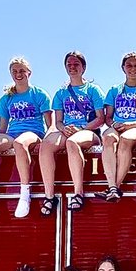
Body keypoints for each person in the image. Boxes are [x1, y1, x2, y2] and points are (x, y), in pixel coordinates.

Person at [0, 56, 53, 220]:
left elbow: (50, 124)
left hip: (34, 134)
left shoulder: (39, 94)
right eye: (15, 71)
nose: (18, 74)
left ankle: (25, 194)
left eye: (22, 71)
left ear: (29, 73)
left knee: (20, 143)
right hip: (11, 135)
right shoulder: (6, 98)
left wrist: (46, 143)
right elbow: (2, 128)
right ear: (11, 74)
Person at [39, 51, 105, 215]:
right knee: (46, 145)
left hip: (90, 132)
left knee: (72, 142)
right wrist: (63, 128)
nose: (72, 67)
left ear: (83, 67)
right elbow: (58, 121)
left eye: (76, 64)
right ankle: (49, 196)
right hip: (67, 130)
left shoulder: (93, 90)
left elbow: (100, 118)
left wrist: (81, 129)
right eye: (69, 64)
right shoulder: (61, 93)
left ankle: (78, 193)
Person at [99, 52, 136, 202]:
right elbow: (108, 117)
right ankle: (112, 186)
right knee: (107, 137)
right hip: (118, 126)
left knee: (125, 139)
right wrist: (113, 124)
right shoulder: (114, 90)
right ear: (123, 68)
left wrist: (130, 125)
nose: (132, 68)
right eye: (129, 65)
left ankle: (114, 187)